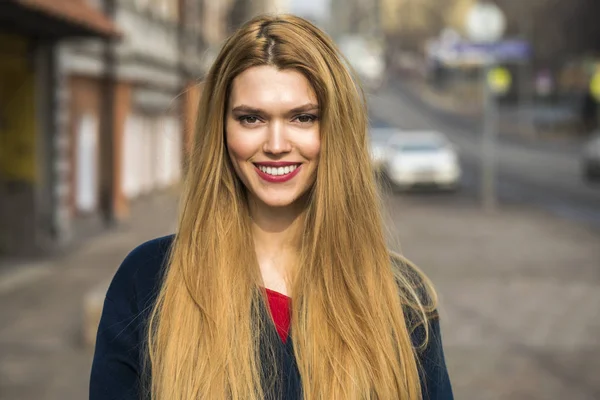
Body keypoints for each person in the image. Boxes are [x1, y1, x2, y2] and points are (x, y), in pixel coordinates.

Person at [90, 14, 453, 400]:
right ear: (222, 130)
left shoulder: (402, 299)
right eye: (251, 118)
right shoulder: (147, 280)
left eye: (303, 117)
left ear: (334, 129)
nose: (276, 143)